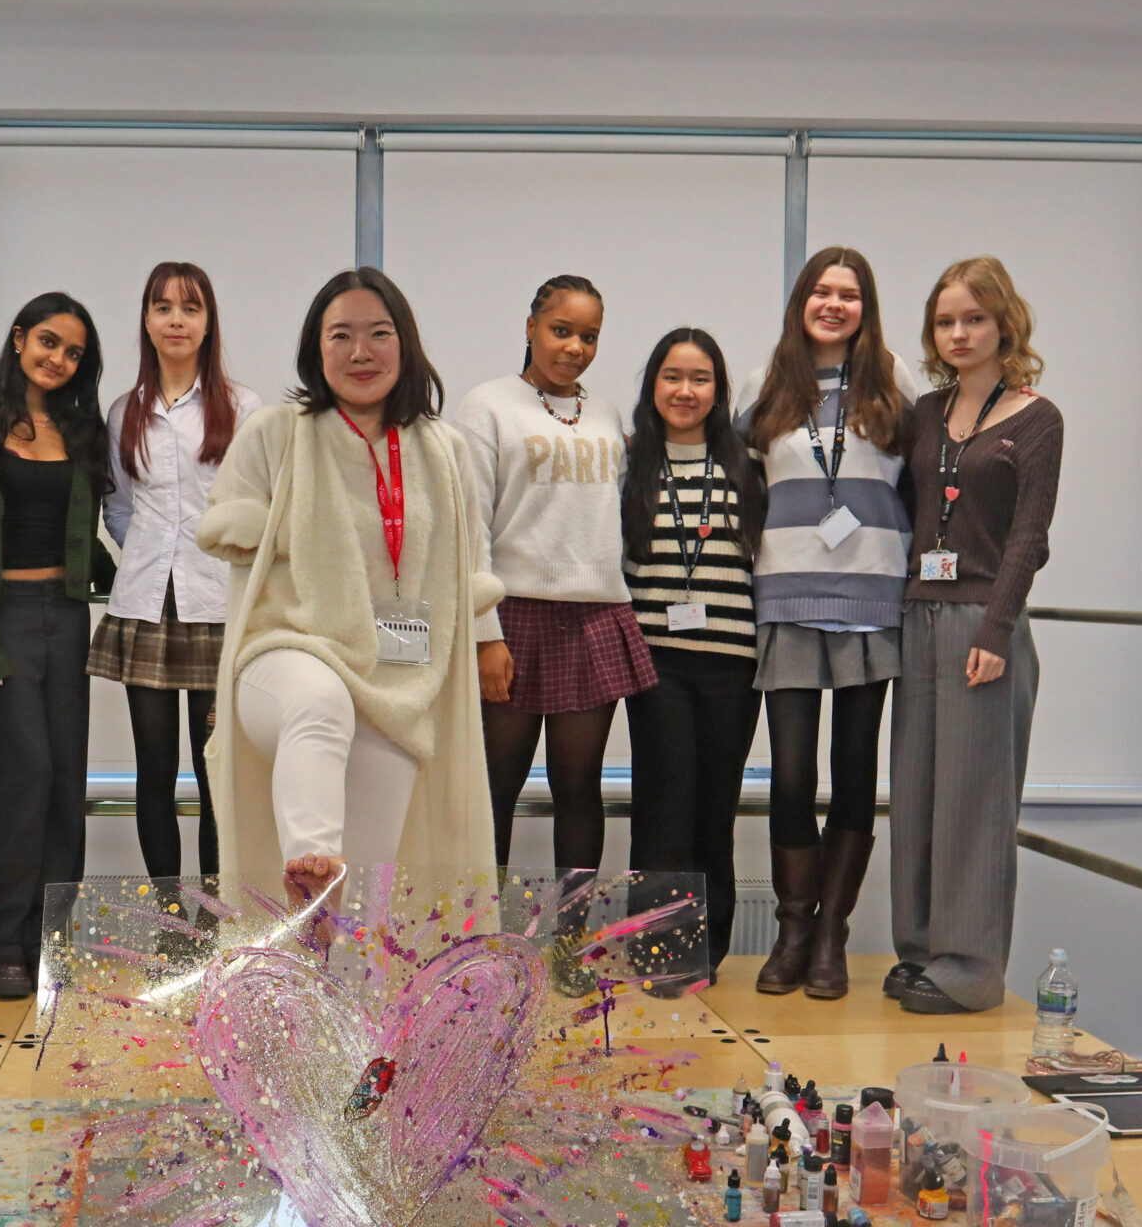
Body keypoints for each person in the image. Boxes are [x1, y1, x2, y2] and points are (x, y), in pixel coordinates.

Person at [198, 267, 502, 907]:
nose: (361, 351)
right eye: (341, 335)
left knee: (364, 903)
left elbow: (469, 563)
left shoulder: (444, 447)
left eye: (379, 333)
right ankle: (312, 861)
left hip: (398, 676)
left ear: (405, 343)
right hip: (286, 652)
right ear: (316, 348)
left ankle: (334, 951)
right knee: (320, 699)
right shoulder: (276, 432)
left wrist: (487, 639)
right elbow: (227, 526)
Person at [738, 246, 918, 1000]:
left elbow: (922, 483)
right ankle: (792, 928)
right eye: (821, 291)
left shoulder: (895, 381)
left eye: (849, 294)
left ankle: (831, 935)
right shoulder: (765, 383)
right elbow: (742, 486)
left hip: (871, 600)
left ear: (865, 307)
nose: (834, 304)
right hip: (786, 598)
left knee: (853, 771)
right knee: (790, 775)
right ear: (801, 301)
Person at [886, 256, 1063, 1015]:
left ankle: (969, 969)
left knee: (975, 799)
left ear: (1004, 324)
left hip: (983, 622)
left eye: (974, 319)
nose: (958, 333)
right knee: (916, 794)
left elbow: (1029, 536)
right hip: (918, 614)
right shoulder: (925, 414)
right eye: (945, 321)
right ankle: (920, 950)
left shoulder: (1037, 418)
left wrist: (997, 626)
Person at [452, 275, 652, 880]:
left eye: (589, 336)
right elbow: (469, 528)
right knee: (493, 789)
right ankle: (478, 929)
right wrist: (484, 634)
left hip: (593, 616)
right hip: (511, 617)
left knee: (579, 789)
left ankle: (572, 933)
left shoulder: (606, 412)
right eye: (561, 330)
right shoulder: (487, 406)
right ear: (531, 327)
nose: (574, 347)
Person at [0, 292, 114, 999]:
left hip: (68, 616)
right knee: (26, 778)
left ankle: (52, 941)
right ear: (19, 338)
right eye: (48, 341)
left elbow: (88, 534)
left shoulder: (81, 431)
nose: (58, 359)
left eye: (73, 352)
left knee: (66, 787)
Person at [94, 262, 261, 881]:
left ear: (208, 322)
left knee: (219, 772)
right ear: (146, 320)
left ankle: (217, 915)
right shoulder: (124, 410)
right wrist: (148, 552)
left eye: (190, 308)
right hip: (145, 606)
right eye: (163, 307)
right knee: (154, 772)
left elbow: (259, 506)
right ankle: (170, 917)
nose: (176, 321)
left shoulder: (243, 406)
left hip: (218, 606)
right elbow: (118, 508)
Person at [620, 328, 767, 995]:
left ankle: (706, 954)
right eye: (672, 377)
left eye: (700, 378)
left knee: (714, 808)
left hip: (734, 664)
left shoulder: (747, 465)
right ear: (653, 385)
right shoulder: (630, 463)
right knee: (662, 805)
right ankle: (656, 954)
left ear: (718, 390)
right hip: (656, 664)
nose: (685, 391)